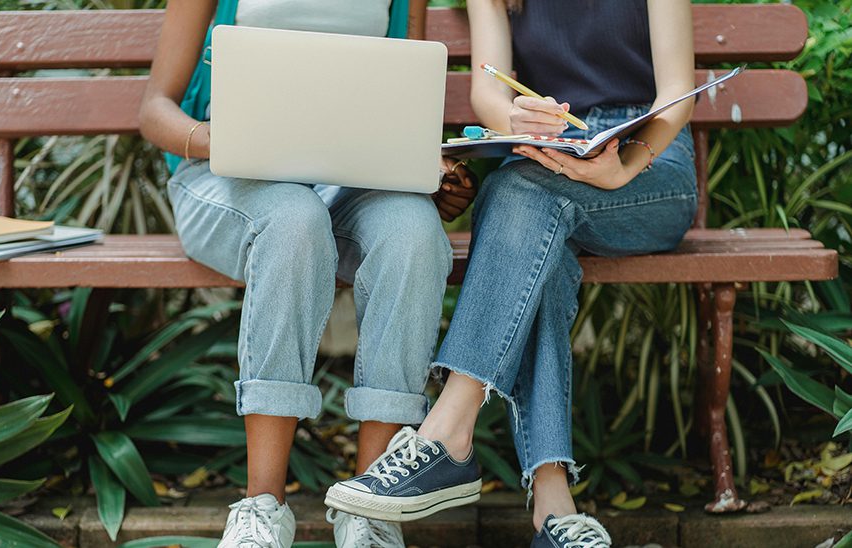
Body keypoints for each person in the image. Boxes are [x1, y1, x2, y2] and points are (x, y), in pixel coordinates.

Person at [327, 1, 698, 546]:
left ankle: (447, 433)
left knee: (515, 194)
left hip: (648, 161)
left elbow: (677, 95)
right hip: (549, 155)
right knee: (536, 238)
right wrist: (517, 120)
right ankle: (555, 513)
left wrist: (624, 165)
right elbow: (489, 92)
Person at [138, 1, 476, 546]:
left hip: (349, 180)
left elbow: (402, 104)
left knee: (413, 232)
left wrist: (425, 168)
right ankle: (262, 508)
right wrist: (223, 141)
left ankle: (371, 510)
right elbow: (155, 109)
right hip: (224, 176)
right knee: (294, 221)